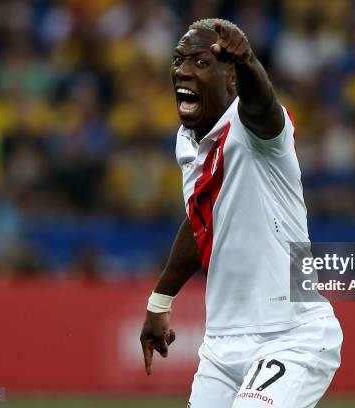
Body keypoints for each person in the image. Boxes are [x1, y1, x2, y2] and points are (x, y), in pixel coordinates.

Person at [140, 18, 342, 407]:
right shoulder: (188, 143)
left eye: (200, 62)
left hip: (292, 333)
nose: (182, 70)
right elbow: (201, 219)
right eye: (179, 59)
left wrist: (248, 60)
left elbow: (263, 106)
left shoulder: (258, 130)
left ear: (230, 78)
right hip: (221, 344)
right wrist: (159, 302)